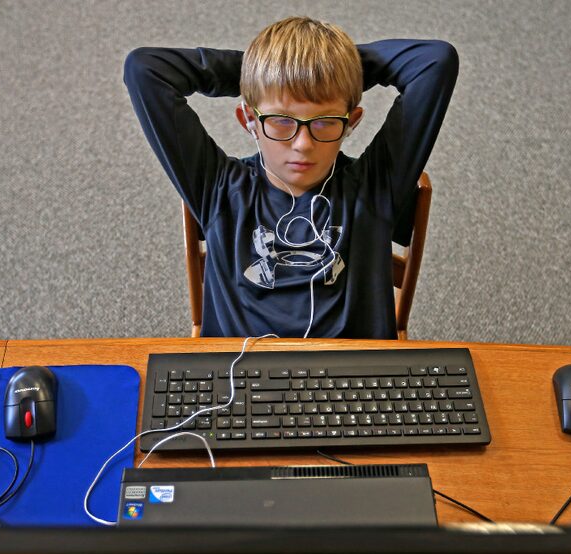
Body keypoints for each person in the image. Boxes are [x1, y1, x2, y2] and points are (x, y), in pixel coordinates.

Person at [124, 17, 457, 338]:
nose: (303, 144)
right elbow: (145, 69)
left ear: (351, 121)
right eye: (281, 121)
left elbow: (435, 61)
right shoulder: (219, 187)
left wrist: (337, 71)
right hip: (238, 379)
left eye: (325, 122)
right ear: (248, 120)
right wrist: (264, 71)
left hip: (353, 382)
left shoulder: (375, 185)